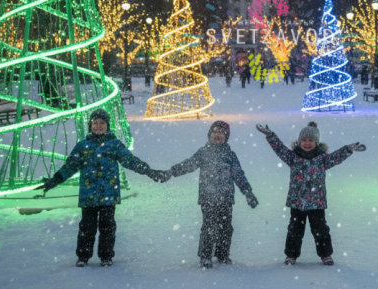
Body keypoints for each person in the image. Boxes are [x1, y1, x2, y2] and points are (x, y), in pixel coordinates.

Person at [38, 108, 165, 267]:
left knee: (107, 227)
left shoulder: (114, 145)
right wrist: (55, 180)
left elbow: (130, 161)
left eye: (102, 123)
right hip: (88, 195)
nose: (98, 126)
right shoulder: (83, 146)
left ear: (107, 125)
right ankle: (83, 257)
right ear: (90, 126)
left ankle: (106, 256)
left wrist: (149, 171)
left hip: (108, 195)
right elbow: (70, 166)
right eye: (95, 123)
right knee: (87, 227)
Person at [256, 121, 365, 266]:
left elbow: (336, 157)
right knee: (295, 230)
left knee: (321, 229)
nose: (307, 143)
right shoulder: (293, 157)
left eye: (311, 140)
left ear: (316, 142)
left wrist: (349, 149)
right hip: (297, 202)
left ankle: (326, 255)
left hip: (316, 202)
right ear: (299, 141)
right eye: (304, 140)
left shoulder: (322, 159)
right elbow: (280, 149)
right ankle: (291, 255)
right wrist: (270, 135)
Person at [160, 120, 258, 268]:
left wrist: (248, 192)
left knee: (226, 227)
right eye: (215, 132)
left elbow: (239, 175)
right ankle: (205, 256)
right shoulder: (203, 152)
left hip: (226, 198)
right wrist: (172, 172)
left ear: (226, 137)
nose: (217, 135)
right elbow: (189, 164)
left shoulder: (230, 155)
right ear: (210, 134)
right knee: (209, 227)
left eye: (221, 133)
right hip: (208, 197)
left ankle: (222, 255)